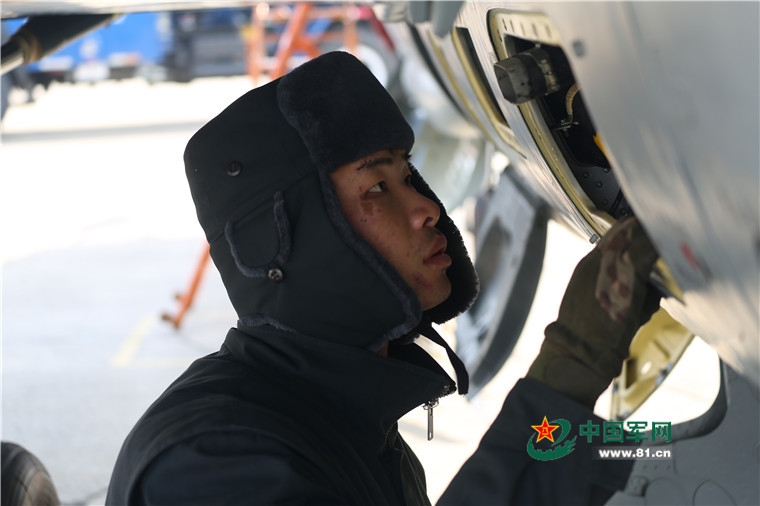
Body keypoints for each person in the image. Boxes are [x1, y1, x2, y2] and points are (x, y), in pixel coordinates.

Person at [106, 51, 660, 505]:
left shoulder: (340, 418)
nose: (427, 209)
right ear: (286, 241)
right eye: (376, 188)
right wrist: (570, 368)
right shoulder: (218, 463)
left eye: (408, 177)